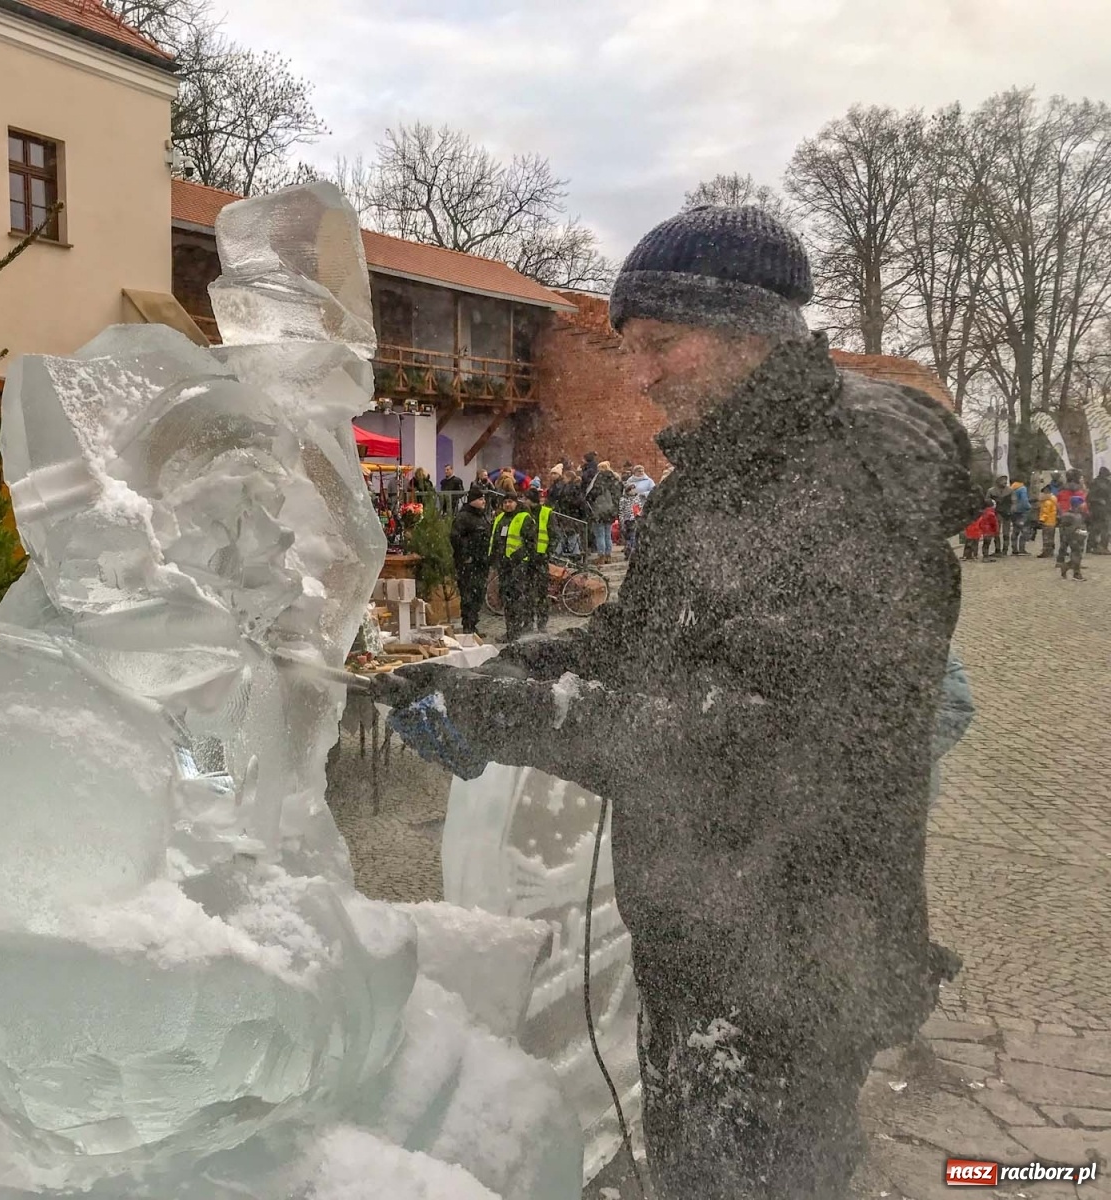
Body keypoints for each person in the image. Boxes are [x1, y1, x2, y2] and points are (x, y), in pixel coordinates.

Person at [374, 204, 978, 1200]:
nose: (640, 375)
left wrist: (509, 719)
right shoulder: (711, 478)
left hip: (792, 948)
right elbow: (640, 642)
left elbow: (762, 740)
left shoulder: (848, 480)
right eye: (629, 350)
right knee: (694, 1162)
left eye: (660, 343)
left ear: (750, 330)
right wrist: (504, 670)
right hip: (701, 926)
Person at [488, 492, 535, 640]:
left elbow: (531, 541)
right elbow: (494, 539)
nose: (507, 505)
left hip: (518, 564)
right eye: (505, 502)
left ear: (516, 502)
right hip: (504, 564)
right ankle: (512, 629)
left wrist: (519, 555)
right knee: (507, 597)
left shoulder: (524, 518)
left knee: (516, 597)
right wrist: (493, 557)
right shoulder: (500, 518)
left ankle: (517, 629)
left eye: (510, 502)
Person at [450, 488, 493, 635]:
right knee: (469, 595)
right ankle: (468, 626)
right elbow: (455, 538)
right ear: (472, 501)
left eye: (483, 499)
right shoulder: (463, 517)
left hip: (481, 562)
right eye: (480, 499)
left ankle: (473, 625)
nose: (483, 501)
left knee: (478, 594)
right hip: (469, 564)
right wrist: (466, 555)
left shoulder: (482, 516)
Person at [527, 488, 557, 633]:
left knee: (541, 593)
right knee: (528, 593)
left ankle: (541, 623)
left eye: (526, 499)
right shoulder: (524, 514)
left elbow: (554, 534)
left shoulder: (546, 513)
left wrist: (548, 552)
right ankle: (528, 622)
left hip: (540, 558)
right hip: (527, 558)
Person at [588, 461, 622, 563]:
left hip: (599, 510)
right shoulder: (615, 479)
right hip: (611, 510)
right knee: (608, 534)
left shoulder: (599, 479)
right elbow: (618, 495)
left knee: (600, 534)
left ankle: (601, 556)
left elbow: (592, 494)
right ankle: (608, 555)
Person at [1055, 470, 1088, 568]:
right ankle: (1076, 562)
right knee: (1079, 541)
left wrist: (1060, 513)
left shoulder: (1061, 489)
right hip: (1077, 517)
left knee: (1064, 540)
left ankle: (1060, 560)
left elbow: (1058, 503)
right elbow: (1083, 504)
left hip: (1064, 516)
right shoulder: (1079, 490)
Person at [1058, 495, 1089, 580]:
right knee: (1076, 555)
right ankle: (1076, 574)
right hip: (1073, 538)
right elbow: (1065, 528)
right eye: (1082, 504)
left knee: (1078, 555)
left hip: (1080, 538)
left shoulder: (1080, 514)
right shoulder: (1068, 515)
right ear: (1077, 505)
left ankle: (1066, 566)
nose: (1083, 506)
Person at [988, 474, 1016, 557]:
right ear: (997, 481)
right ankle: (997, 549)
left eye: (1005, 480)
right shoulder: (991, 491)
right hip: (996, 513)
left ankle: (1005, 549)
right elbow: (987, 501)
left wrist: (1012, 509)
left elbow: (1014, 501)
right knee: (996, 532)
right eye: (1002, 480)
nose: (1005, 482)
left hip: (1007, 513)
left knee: (1006, 533)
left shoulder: (1010, 490)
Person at [1088, 466, 1111, 553]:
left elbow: (1089, 497)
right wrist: (1099, 500)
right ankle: (1102, 547)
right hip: (1103, 509)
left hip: (1096, 509)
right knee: (1105, 528)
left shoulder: (1095, 482)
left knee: (1095, 528)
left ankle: (1092, 546)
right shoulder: (1104, 483)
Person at [1007, 477, 1031, 555]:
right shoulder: (1022, 488)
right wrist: (1028, 507)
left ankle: (1014, 549)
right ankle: (1022, 549)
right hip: (1022, 512)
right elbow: (1024, 500)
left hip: (1013, 512)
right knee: (1024, 531)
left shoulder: (1011, 488)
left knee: (1015, 530)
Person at [1035, 487, 1058, 558]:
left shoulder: (1047, 502)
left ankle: (1046, 552)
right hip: (1052, 522)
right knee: (1051, 538)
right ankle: (1051, 551)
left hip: (1047, 522)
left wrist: (1041, 520)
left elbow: (1045, 513)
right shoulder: (1053, 500)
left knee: (1046, 538)